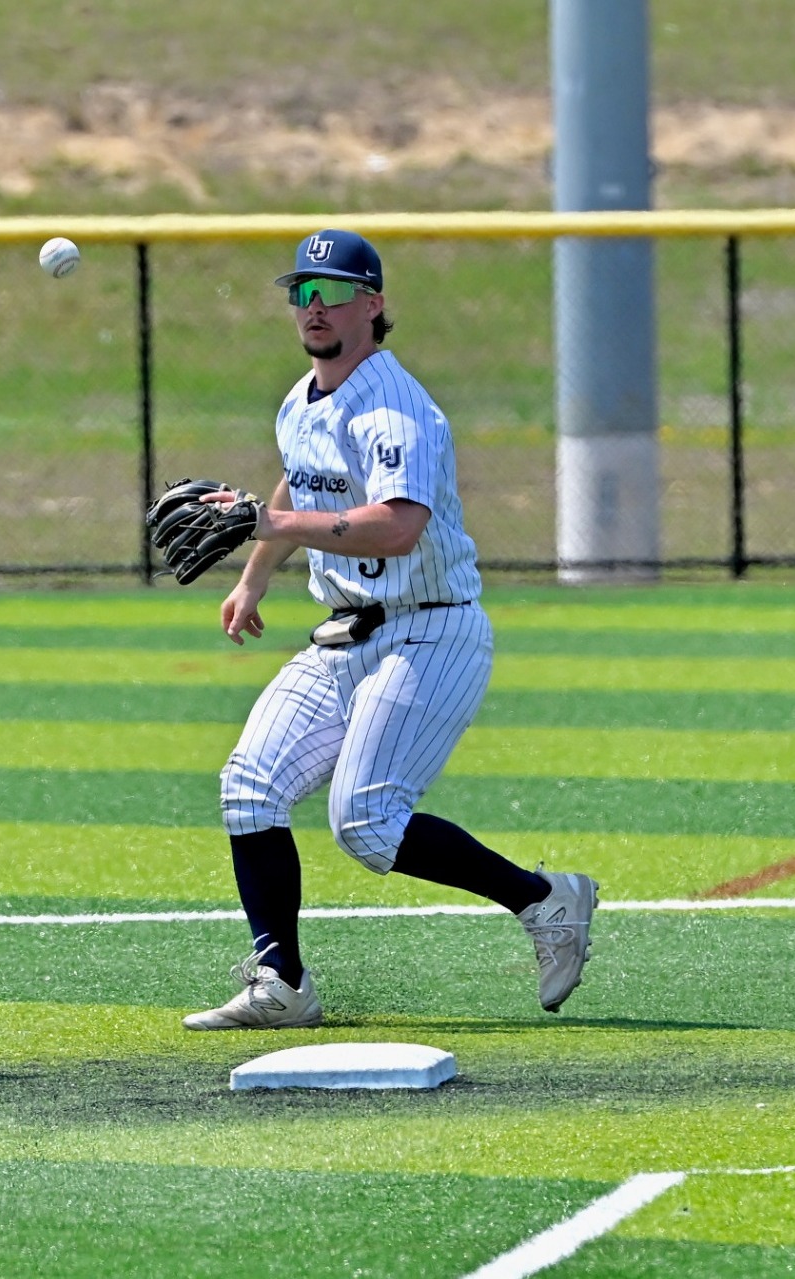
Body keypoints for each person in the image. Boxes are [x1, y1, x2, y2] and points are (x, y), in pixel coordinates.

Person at [181, 229, 599, 1031]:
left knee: (366, 821)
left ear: (372, 304)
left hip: (429, 633)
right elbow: (301, 478)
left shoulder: (396, 406)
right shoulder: (301, 398)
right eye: (300, 292)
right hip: (346, 635)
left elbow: (399, 526)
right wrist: (253, 573)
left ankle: (544, 901)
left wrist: (271, 520)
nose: (312, 307)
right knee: (248, 786)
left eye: (330, 291)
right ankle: (283, 983)